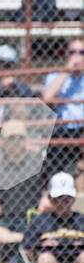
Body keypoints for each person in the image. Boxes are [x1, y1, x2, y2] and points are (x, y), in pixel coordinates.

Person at [0, 120, 45, 250]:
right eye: (11, 138)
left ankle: (16, 239)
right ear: (3, 142)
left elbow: (49, 186)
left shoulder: (37, 161)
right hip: (4, 219)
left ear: (26, 140)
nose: (16, 142)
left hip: (31, 217)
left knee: (43, 234)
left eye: (20, 138)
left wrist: (46, 198)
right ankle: (21, 238)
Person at [22, 172, 84, 263]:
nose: (62, 203)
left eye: (67, 199)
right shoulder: (40, 221)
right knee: (45, 260)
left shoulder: (81, 220)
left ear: (73, 199)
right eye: (58, 199)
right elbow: (27, 249)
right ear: (50, 199)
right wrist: (40, 248)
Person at [42, 38, 84, 177]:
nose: (77, 56)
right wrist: (67, 71)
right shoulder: (55, 76)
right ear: (66, 55)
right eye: (72, 52)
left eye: (82, 52)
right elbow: (47, 98)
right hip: (62, 129)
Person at [0, 45, 34, 138]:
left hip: (13, 136)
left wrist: (11, 91)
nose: (2, 70)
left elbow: (25, 117)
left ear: (14, 68)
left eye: (7, 66)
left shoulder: (21, 88)